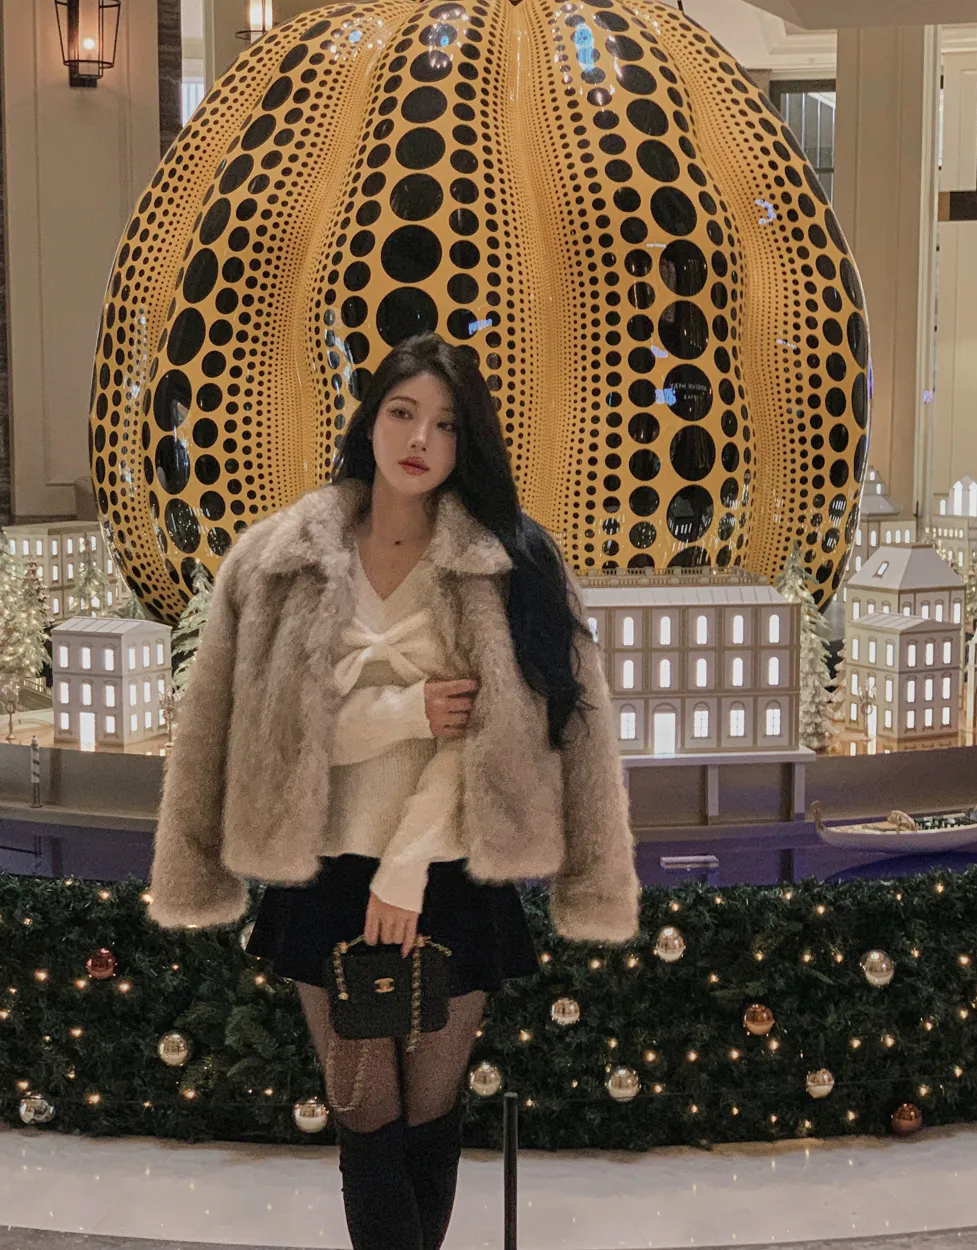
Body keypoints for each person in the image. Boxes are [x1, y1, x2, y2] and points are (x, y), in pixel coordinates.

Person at [146, 332, 640, 1250]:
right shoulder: (277, 560)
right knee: (364, 1116)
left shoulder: (508, 563)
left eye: (446, 425)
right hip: (325, 868)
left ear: (468, 442)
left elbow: (509, 739)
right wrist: (404, 711)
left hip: (448, 871)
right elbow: (244, 730)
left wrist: (407, 869)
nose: (420, 439)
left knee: (428, 1116)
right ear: (369, 419)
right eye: (403, 413)